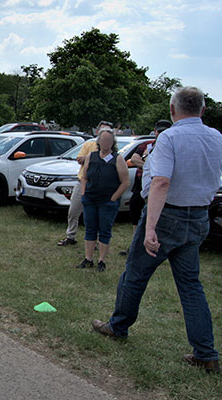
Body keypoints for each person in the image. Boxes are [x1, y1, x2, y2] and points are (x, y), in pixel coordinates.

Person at [92, 87, 222, 373]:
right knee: (191, 286)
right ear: (202, 110)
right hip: (199, 216)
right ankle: (206, 353)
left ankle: (118, 326)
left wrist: (150, 228)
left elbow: (161, 182)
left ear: (172, 111)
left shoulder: (169, 138)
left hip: (168, 216)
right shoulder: (216, 138)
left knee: (136, 274)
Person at [76, 128, 130, 271]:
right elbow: (85, 177)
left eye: (109, 140)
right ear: (98, 141)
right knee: (90, 229)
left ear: (113, 143)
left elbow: (125, 182)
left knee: (105, 230)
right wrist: (84, 194)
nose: (106, 143)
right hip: (90, 200)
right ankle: (88, 259)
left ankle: (101, 260)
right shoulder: (91, 156)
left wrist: (113, 198)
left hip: (107, 202)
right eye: (103, 140)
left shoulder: (117, 158)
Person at [57, 123, 113, 246]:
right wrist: (92, 156)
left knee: (97, 214)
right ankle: (71, 236)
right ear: (98, 132)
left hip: (99, 186)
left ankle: (98, 240)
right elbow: (79, 159)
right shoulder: (89, 144)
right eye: (102, 131)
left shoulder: (112, 150)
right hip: (82, 182)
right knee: (73, 211)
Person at [122, 120, 172, 254]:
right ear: (155, 132)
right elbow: (134, 159)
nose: (161, 134)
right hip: (140, 186)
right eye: (159, 131)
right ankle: (134, 245)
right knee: (135, 213)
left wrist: (149, 165)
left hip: (156, 188)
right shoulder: (147, 145)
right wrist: (148, 165)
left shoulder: (170, 146)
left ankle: (151, 245)